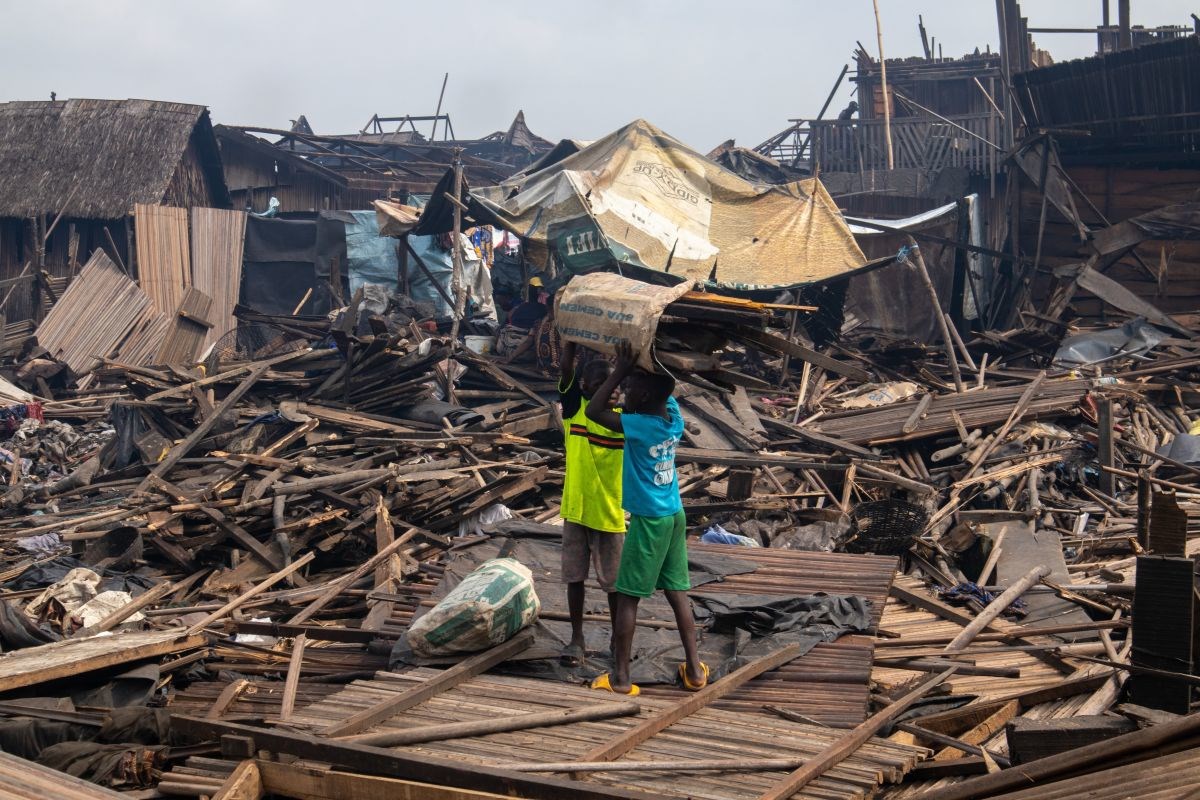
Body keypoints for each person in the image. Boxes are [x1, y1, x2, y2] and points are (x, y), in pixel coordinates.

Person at [584, 342, 706, 696]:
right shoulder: (673, 421)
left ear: (647, 393)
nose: (623, 392)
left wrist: (620, 369)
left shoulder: (637, 425)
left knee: (627, 598)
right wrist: (647, 366)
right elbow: (664, 389)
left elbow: (594, 411)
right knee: (677, 592)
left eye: (630, 387)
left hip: (650, 522)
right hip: (674, 515)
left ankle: (621, 679)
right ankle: (695, 671)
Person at [557, 339, 625, 667]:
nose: (610, 391)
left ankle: (617, 638)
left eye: (614, 385)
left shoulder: (623, 419)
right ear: (585, 388)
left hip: (609, 513)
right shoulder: (575, 409)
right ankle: (577, 638)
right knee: (574, 579)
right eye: (601, 385)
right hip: (575, 508)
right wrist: (570, 338)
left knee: (614, 585)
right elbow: (566, 367)